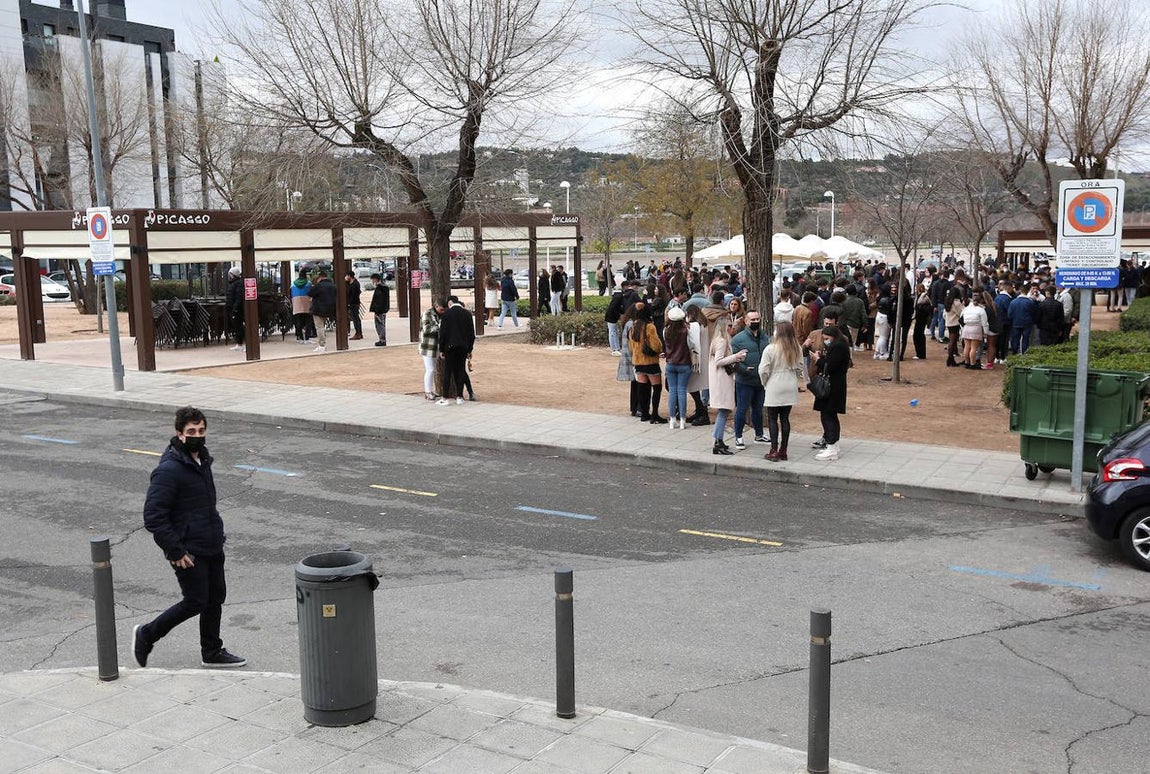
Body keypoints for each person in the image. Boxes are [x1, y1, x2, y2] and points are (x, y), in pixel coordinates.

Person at [133, 406, 245, 669]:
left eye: (201, 430)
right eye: (191, 431)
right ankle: (147, 634)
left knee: (215, 598)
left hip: (211, 543)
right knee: (195, 601)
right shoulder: (169, 470)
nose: (198, 435)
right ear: (179, 434)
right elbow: (153, 516)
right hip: (187, 550)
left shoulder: (202, 461)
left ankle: (212, 651)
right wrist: (175, 550)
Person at [758, 321, 805, 462]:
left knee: (773, 418)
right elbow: (800, 367)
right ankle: (783, 450)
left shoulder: (770, 349)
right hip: (789, 383)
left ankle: (773, 449)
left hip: (774, 383)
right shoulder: (796, 348)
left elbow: (763, 370)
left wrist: (765, 383)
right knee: (785, 418)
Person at [729, 310, 768, 450]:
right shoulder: (738, 339)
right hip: (744, 381)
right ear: (746, 321)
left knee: (758, 409)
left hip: (760, 381)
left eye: (758, 319)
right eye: (753, 319)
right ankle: (738, 437)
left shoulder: (765, 337)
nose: (756, 322)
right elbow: (733, 360)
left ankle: (759, 434)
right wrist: (745, 369)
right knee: (742, 409)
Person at [811, 325, 850, 461]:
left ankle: (831, 445)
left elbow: (830, 366)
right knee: (830, 415)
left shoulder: (838, 347)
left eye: (827, 339)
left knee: (828, 416)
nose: (825, 341)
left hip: (832, 387)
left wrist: (818, 360)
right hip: (834, 386)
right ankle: (833, 444)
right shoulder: (839, 345)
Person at [708, 314, 745, 454]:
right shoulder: (722, 341)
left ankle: (719, 440)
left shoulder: (717, 340)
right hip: (722, 379)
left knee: (724, 410)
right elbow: (719, 361)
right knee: (724, 410)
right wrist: (736, 357)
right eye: (729, 325)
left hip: (719, 379)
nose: (732, 328)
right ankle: (718, 442)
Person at [628, 302, 667, 423]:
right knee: (656, 388)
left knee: (642, 388)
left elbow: (630, 346)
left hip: (638, 362)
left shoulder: (633, 327)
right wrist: (660, 349)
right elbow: (656, 345)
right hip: (650, 361)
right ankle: (655, 414)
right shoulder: (650, 327)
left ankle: (644, 413)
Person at [437, 296, 475, 405]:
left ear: (450, 302)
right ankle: (460, 396)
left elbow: (443, 334)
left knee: (448, 372)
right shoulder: (467, 314)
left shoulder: (446, 315)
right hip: (463, 347)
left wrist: (442, 349)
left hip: (450, 347)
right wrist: (469, 349)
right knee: (460, 371)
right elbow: (471, 334)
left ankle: (445, 397)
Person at [662, 306, 693, 429]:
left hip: (670, 363)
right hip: (684, 363)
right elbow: (692, 345)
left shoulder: (666, 330)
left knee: (672, 392)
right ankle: (682, 420)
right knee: (682, 391)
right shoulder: (686, 330)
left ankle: (672, 419)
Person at [419, 299, 445, 401]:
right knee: (430, 369)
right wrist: (440, 327)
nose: (443, 312)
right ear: (436, 306)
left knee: (433, 369)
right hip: (427, 346)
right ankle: (428, 391)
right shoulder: (427, 314)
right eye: (441, 309)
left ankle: (430, 390)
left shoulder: (439, 315)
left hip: (436, 345)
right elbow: (427, 329)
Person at [307, 269, 337, 353]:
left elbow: (310, 293)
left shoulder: (319, 286)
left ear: (320, 277)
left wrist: (314, 285)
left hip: (318, 309)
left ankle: (322, 345)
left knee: (319, 327)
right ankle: (323, 342)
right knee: (322, 327)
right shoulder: (333, 285)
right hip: (329, 309)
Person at [960, 293, 990, 369]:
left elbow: (961, 318)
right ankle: (972, 363)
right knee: (974, 348)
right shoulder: (981, 310)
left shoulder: (966, 309)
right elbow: (985, 323)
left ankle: (967, 362)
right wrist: (986, 332)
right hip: (976, 328)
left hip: (966, 328)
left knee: (967, 347)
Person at [290, 267, 313, 344]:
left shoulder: (293, 284)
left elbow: (290, 294)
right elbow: (311, 293)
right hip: (307, 304)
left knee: (299, 322)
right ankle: (307, 338)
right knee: (308, 322)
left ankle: (300, 338)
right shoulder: (309, 283)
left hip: (297, 304)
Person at [225, 266, 244, 351]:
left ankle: (240, 344)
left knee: (239, 326)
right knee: (237, 327)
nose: (230, 276)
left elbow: (239, 297)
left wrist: (235, 308)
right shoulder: (233, 283)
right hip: (232, 308)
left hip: (237, 309)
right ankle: (239, 344)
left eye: (231, 274)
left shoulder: (238, 283)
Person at [369, 273, 390, 346]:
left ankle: (382, 340)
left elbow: (378, 301)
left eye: (372, 279)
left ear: (375, 279)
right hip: (383, 309)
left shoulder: (380, 288)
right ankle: (382, 339)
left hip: (379, 310)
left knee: (380, 325)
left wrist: (376, 311)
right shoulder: (384, 287)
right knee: (381, 324)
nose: (372, 281)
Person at [345, 270, 363, 340]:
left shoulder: (355, 284)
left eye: (347, 276)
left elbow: (355, 295)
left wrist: (350, 303)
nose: (346, 277)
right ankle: (358, 332)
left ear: (349, 276)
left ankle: (358, 333)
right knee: (355, 319)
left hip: (354, 304)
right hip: (352, 303)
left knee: (356, 319)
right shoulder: (349, 283)